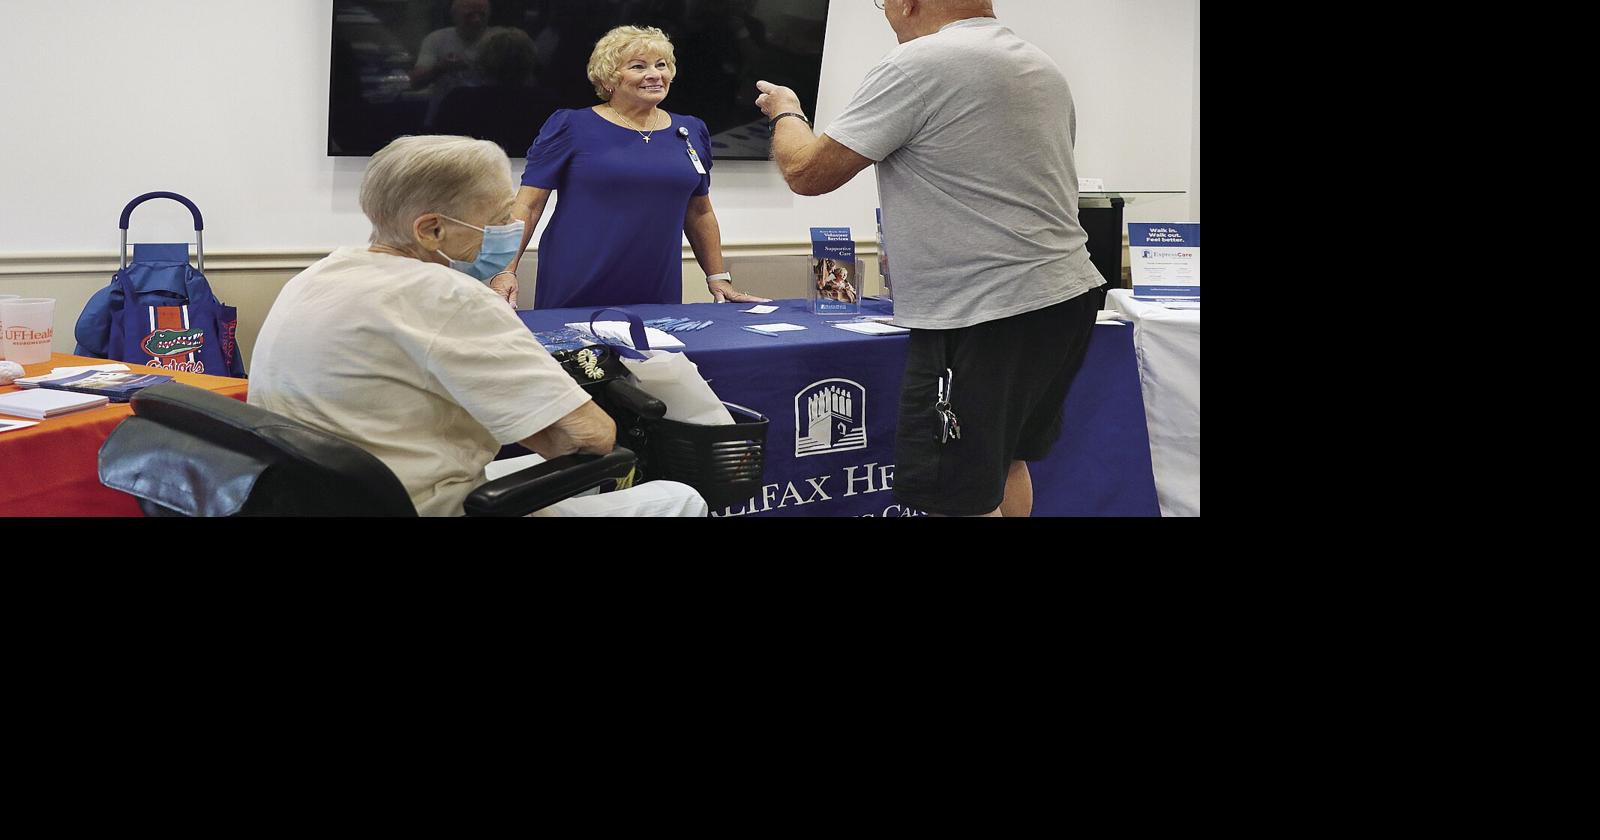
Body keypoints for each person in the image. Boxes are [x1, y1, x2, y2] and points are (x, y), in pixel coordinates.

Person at [754, 0, 1106, 517]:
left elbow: (807, 173)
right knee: (1004, 461)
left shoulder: (920, 62)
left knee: (954, 494)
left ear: (907, 2)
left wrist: (787, 110)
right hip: (1063, 295)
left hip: (983, 309)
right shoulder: (1036, 62)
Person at [249, 135, 706, 517]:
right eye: (497, 217)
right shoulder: (449, 295)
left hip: (328, 496)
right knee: (680, 498)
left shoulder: (320, 274)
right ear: (431, 230)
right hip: (416, 504)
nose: (511, 227)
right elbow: (589, 437)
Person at [493, 25, 769, 309]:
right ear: (610, 79)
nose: (655, 74)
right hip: (577, 279)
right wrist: (505, 269)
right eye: (639, 66)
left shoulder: (691, 129)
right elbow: (528, 206)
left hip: (656, 284)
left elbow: (699, 211)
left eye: (661, 65)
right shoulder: (571, 126)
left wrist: (718, 276)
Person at [411, 0, 494, 128]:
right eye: (469, 15)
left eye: (482, 15)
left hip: (488, 117)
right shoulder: (437, 39)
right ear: (454, 16)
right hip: (444, 118)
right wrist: (441, 68)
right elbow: (416, 82)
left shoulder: (498, 39)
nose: (476, 20)